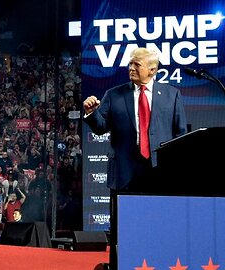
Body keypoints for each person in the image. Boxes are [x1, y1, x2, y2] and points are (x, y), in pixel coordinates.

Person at [82, 47, 187, 270]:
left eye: (136, 64)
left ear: (152, 69)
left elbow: (180, 135)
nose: (130, 68)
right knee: (123, 226)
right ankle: (121, 264)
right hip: (125, 171)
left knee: (160, 222)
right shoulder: (114, 94)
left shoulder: (171, 95)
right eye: (130, 63)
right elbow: (101, 128)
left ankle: (160, 262)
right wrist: (92, 113)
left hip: (159, 172)